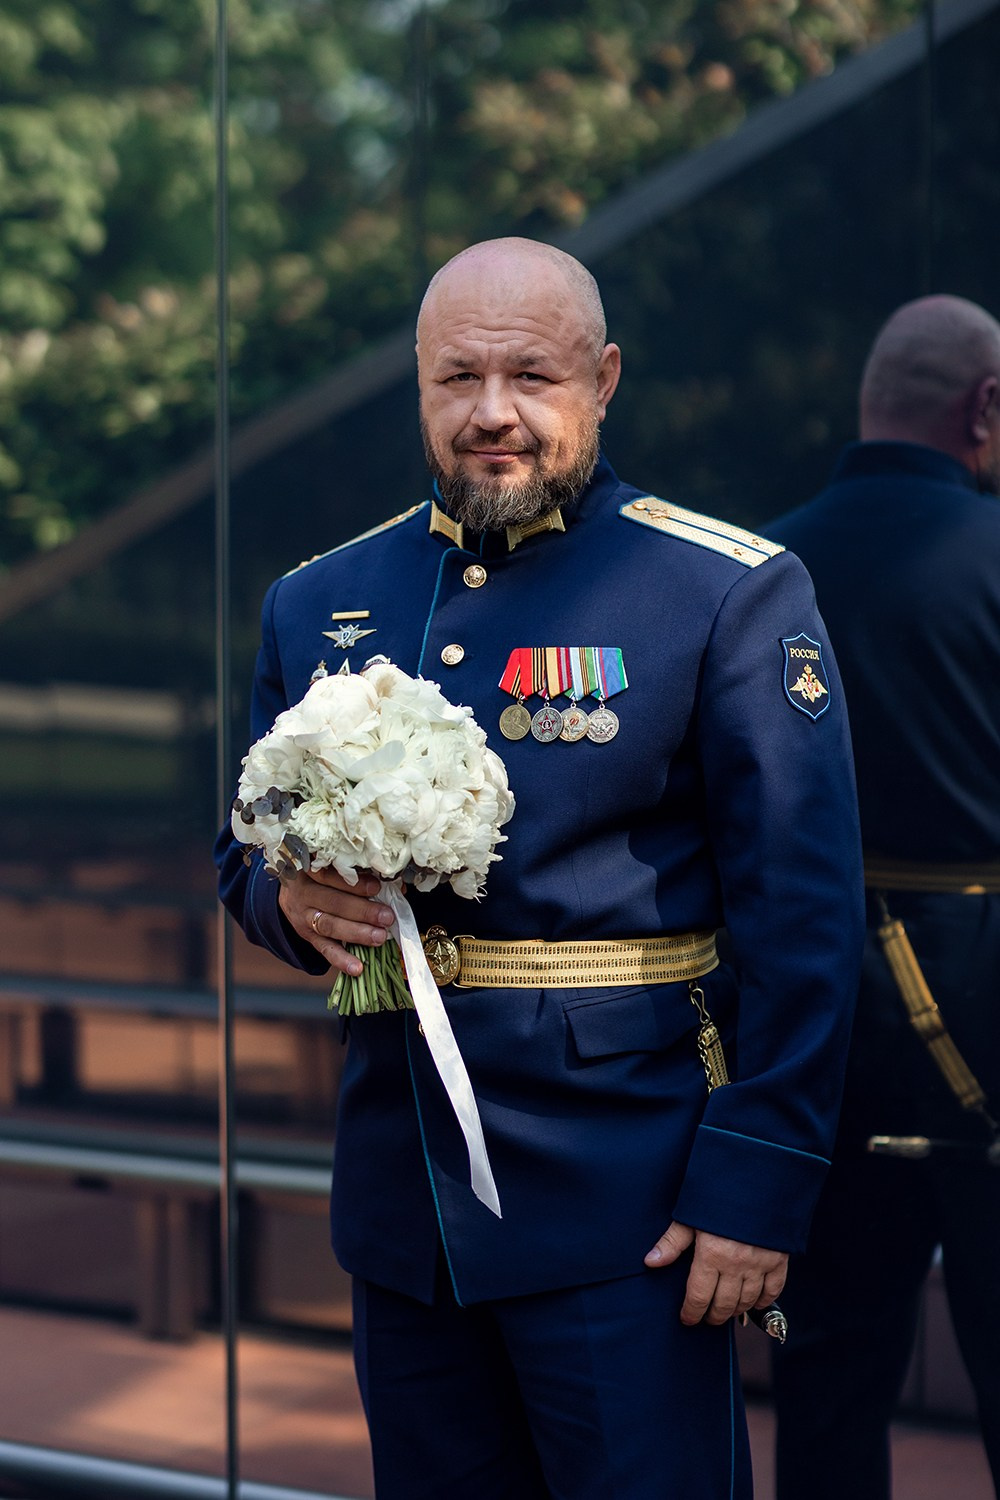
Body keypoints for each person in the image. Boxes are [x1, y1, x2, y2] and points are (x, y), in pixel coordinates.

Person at [216, 237, 864, 1499]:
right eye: (458, 377)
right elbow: (239, 854)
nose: (492, 413)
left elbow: (805, 918)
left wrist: (759, 1184)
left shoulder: (720, 591)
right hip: (406, 1205)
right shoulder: (319, 599)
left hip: (628, 1208)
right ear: (418, 384)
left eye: (533, 375)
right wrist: (287, 901)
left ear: (605, 378)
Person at [766, 294, 1000, 1500]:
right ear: (985, 408)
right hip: (988, 1021)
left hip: (818, 1025)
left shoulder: (760, 570)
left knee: (829, 1389)